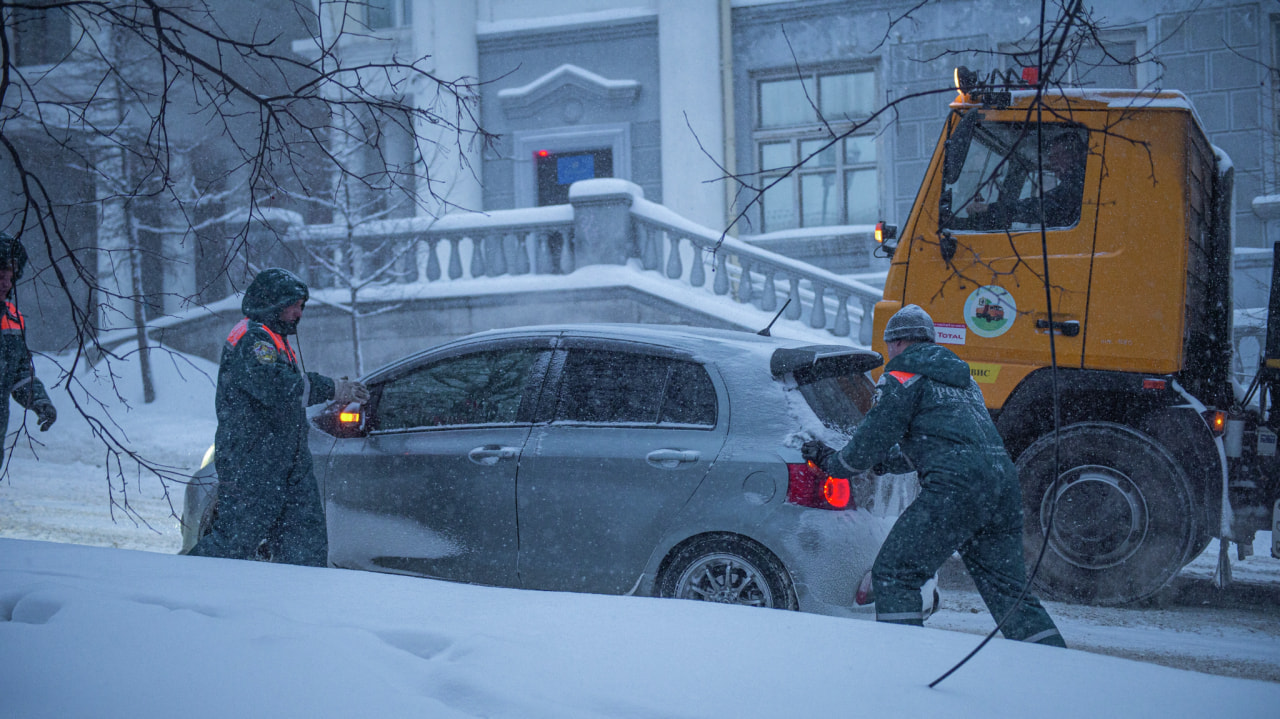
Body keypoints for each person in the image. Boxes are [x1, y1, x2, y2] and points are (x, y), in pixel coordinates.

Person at [803, 304, 1065, 646]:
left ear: (897, 343)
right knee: (1009, 591)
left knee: (895, 575)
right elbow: (938, 441)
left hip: (955, 491)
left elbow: (870, 440)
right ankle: (1054, 658)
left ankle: (907, 662)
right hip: (1001, 487)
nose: (889, 354)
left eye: (889, 346)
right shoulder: (963, 380)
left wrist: (833, 462)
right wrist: (888, 463)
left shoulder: (902, 376)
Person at [188, 268, 369, 566]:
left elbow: (287, 388)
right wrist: (333, 388)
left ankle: (298, 602)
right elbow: (278, 387)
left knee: (303, 541)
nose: (298, 313)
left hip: (284, 461)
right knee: (235, 539)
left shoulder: (273, 337)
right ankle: (179, 580)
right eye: (293, 305)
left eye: (301, 306)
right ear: (273, 303)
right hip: (255, 461)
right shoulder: (253, 339)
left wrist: (329, 390)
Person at [0, 233, 56, 470]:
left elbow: (19, 373)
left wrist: (40, 401)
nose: (6, 283)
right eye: (0, 275)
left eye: (10, 277)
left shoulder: (13, 320)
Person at [971, 131, 1087, 229]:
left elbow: (1045, 207)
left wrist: (990, 208)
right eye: (1051, 157)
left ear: (1075, 155)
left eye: (1059, 155)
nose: (1053, 162)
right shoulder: (1076, 181)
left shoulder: (1079, 183)